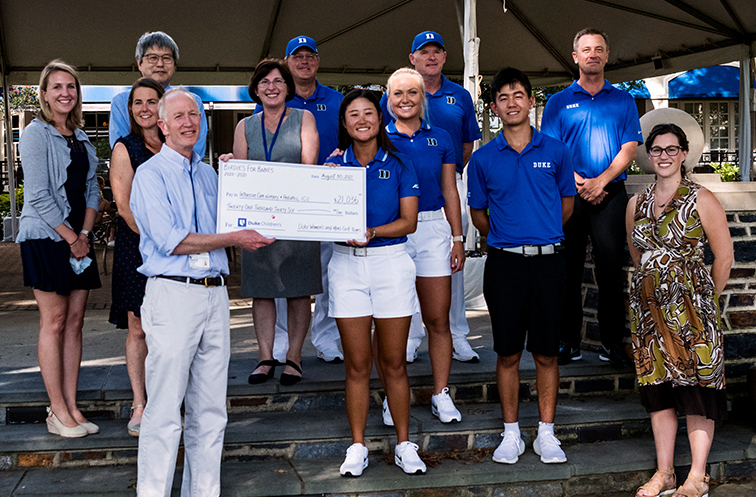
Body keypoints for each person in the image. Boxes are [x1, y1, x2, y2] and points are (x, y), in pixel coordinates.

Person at [130, 88, 273, 496]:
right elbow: (171, 241)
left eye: (194, 114)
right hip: (173, 295)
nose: (189, 122)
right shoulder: (150, 175)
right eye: (178, 116)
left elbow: (235, 214)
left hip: (214, 295)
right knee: (163, 410)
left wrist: (238, 176)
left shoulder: (210, 173)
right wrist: (233, 237)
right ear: (161, 125)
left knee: (210, 410)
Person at [468, 68, 575, 465]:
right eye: (503, 97)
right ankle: (511, 433)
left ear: (532, 101)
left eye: (518, 95)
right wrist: (510, 236)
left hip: (549, 264)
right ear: (494, 107)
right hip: (505, 266)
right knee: (508, 352)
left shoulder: (556, 151)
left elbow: (566, 204)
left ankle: (547, 433)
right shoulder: (482, 159)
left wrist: (540, 232)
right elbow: (478, 213)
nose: (511, 103)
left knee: (547, 353)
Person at [627, 123, 732, 497]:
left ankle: (697, 476)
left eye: (672, 149)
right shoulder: (636, 203)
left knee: (697, 389)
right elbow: (637, 253)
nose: (664, 156)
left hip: (693, 315)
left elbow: (724, 256)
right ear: (648, 156)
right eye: (657, 150)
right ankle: (665, 473)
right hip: (649, 315)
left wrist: (703, 299)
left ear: (684, 154)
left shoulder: (701, 198)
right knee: (659, 390)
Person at [327, 89, 425, 477]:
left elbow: (409, 222)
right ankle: (357, 446)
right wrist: (324, 183)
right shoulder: (333, 166)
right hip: (345, 266)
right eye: (353, 114)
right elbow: (317, 216)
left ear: (379, 118)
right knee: (356, 364)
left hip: (390, 264)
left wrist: (372, 230)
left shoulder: (399, 161)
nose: (361, 119)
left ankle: (404, 443)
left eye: (368, 112)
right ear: (345, 123)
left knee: (394, 363)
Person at [541, 27, 642, 367]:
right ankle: (568, 342)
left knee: (611, 270)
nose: (593, 54)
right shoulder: (557, 102)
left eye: (599, 48)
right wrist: (582, 183)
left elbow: (630, 147)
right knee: (567, 270)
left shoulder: (624, 100)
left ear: (606, 55)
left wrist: (601, 181)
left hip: (611, 193)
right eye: (586, 49)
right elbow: (551, 150)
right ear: (576, 57)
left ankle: (612, 343)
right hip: (570, 192)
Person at [381, 31, 482, 363]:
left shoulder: (460, 95)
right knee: (404, 276)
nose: (431, 57)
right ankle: (411, 336)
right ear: (413, 58)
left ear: (444, 56)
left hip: (446, 183)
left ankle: (458, 335)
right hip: (398, 196)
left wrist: (447, 170)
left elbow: (467, 143)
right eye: (424, 52)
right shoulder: (393, 95)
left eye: (437, 51)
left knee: (448, 270)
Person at [17, 60, 102, 438]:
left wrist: (84, 232)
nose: (65, 92)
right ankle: (56, 410)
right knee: (53, 322)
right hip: (47, 239)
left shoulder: (81, 138)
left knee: (75, 323)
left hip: (79, 240)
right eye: (57, 87)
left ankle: (71, 406)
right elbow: (36, 194)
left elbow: (92, 189)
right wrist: (73, 238)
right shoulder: (35, 134)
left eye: (71, 86)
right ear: (44, 93)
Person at [381, 67, 464, 426]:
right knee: (390, 321)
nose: (405, 100)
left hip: (432, 230)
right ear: (388, 99)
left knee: (437, 319)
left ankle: (440, 393)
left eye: (412, 93)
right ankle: (391, 395)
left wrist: (458, 237)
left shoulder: (442, 137)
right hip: (391, 232)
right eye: (397, 94)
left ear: (422, 97)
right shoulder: (376, 138)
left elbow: (449, 190)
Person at [256, 35, 345, 364]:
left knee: (324, 273)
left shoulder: (336, 100)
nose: (304, 61)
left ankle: (326, 338)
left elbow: (352, 140)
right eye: (298, 56)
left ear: (317, 62)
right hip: (283, 202)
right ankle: (281, 340)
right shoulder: (275, 98)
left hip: (325, 201)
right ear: (287, 61)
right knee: (281, 270)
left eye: (310, 56)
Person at [233, 59, 321, 386]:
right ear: (255, 89)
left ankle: (294, 357)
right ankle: (265, 357)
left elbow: (309, 165)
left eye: (278, 81)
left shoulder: (304, 119)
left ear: (288, 87)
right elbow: (240, 172)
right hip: (258, 222)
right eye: (265, 82)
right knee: (262, 291)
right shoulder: (244, 126)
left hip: (297, 218)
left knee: (299, 292)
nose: (271, 87)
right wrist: (229, 164)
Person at [107, 77, 165, 437]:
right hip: (139, 248)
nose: (144, 108)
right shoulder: (124, 148)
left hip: (175, 252)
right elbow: (125, 208)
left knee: (169, 329)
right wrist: (163, 241)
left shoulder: (176, 145)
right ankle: (140, 402)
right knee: (139, 328)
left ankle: (166, 398)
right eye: (137, 102)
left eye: (151, 101)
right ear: (130, 110)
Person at [109, 31, 207, 158]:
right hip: (136, 174)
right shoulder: (121, 102)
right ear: (139, 63)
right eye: (152, 58)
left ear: (174, 64)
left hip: (182, 174)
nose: (160, 64)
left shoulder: (193, 101)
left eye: (166, 58)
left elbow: (196, 150)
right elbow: (120, 150)